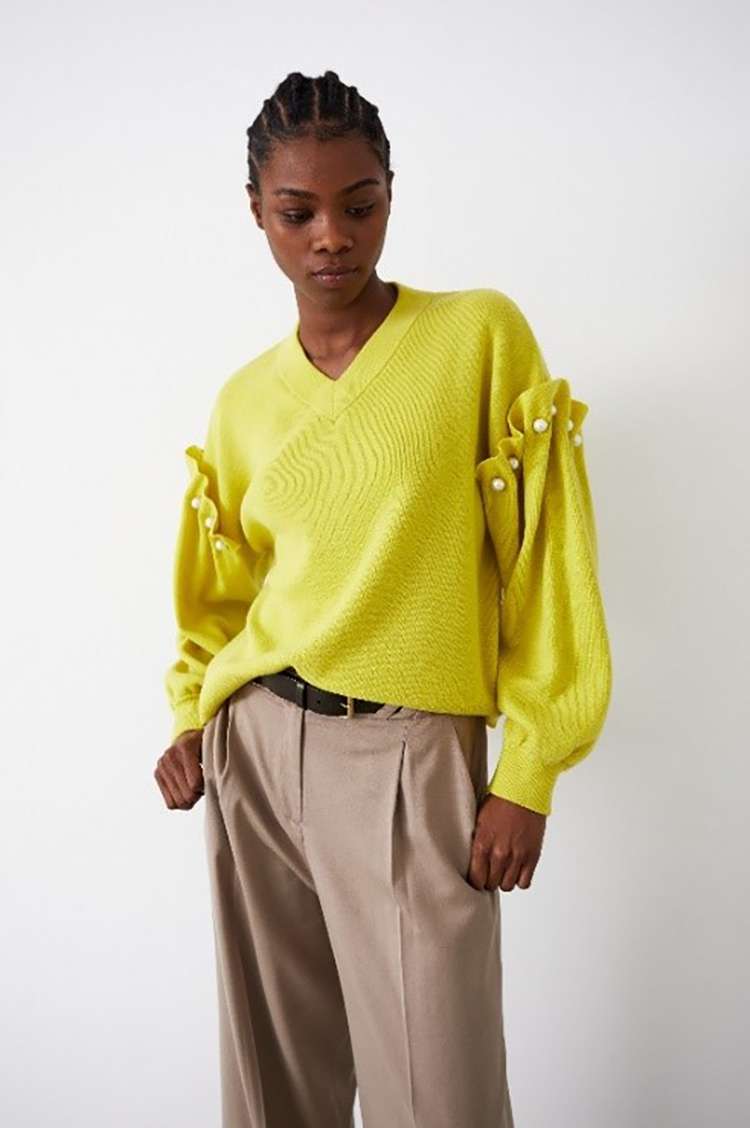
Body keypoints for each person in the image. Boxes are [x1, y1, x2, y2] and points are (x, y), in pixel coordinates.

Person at [154, 69, 612, 1128]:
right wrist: (190, 716)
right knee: (274, 1086)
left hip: (412, 753)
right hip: (255, 751)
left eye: (359, 204)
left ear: (391, 193)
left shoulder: (478, 337)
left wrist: (531, 768)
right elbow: (220, 597)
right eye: (297, 212)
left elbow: (548, 558)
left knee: (441, 1094)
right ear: (257, 213)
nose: (332, 237)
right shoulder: (242, 402)